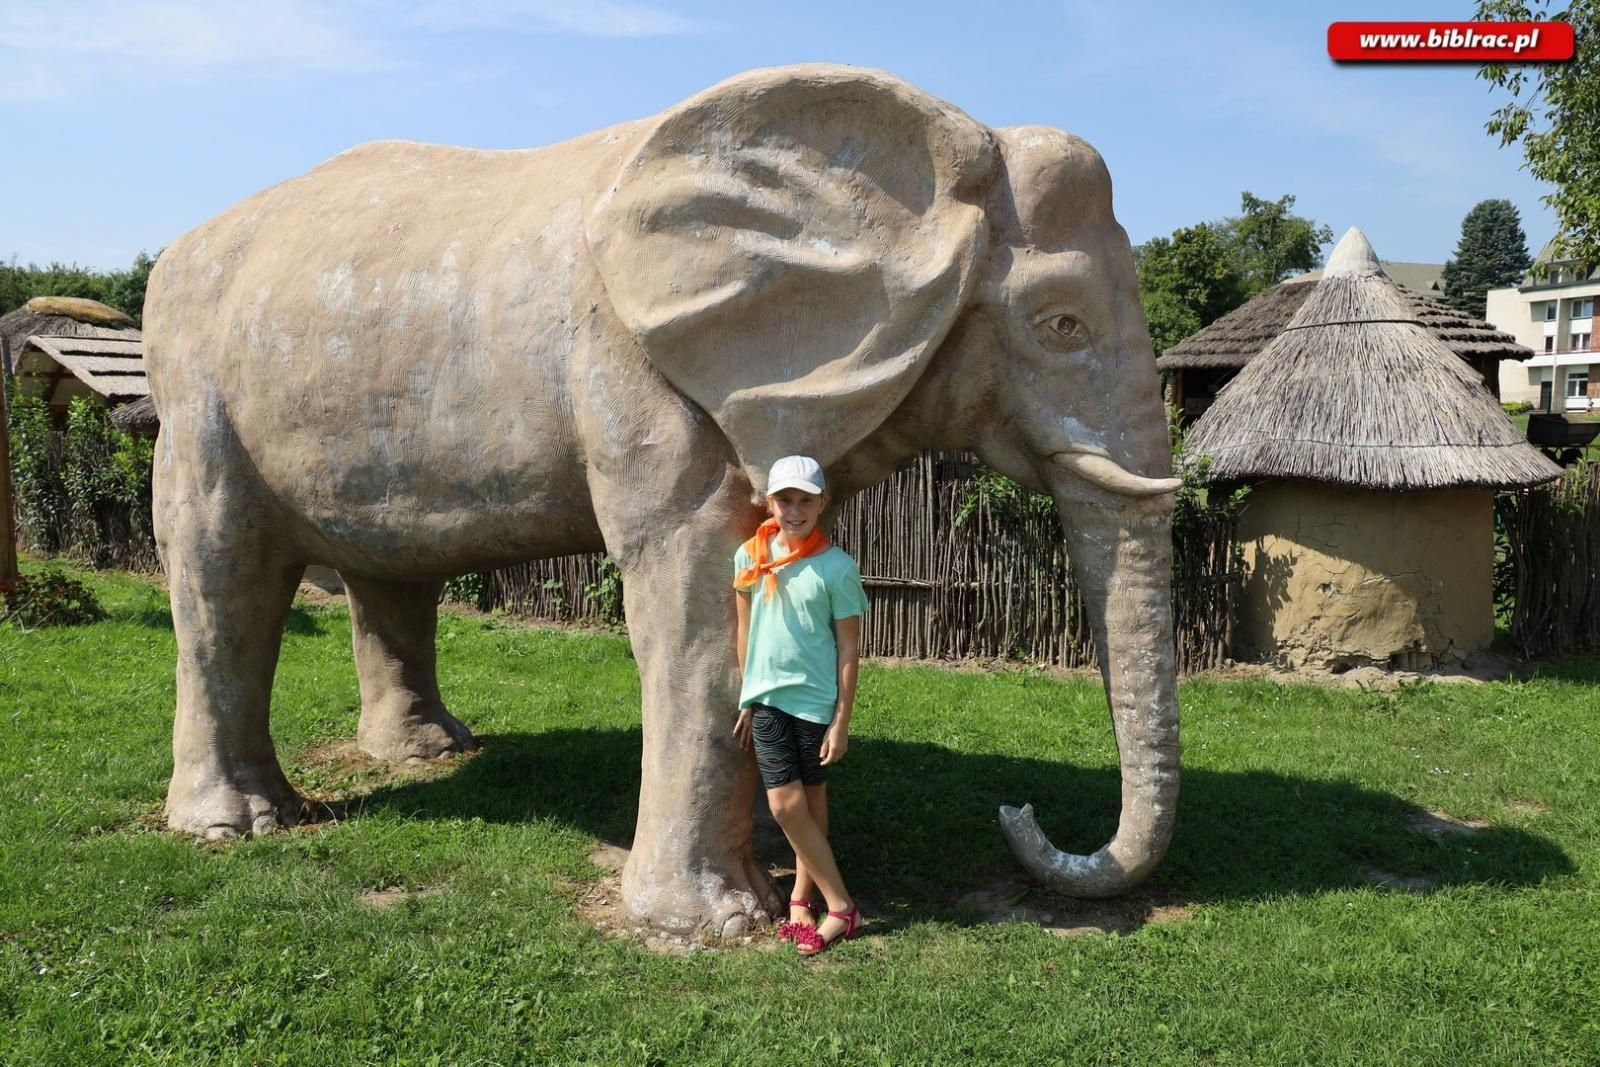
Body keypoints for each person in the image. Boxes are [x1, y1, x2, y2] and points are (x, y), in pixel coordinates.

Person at [731, 455, 868, 955]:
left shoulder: (836, 568)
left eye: (804, 500)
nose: (794, 510)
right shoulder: (750, 556)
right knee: (784, 805)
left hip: (815, 704)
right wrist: (749, 692)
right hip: (767, 700)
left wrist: (842, 720)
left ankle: (800, 898)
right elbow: (746, 629)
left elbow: (849, 650)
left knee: (811, 802)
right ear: (770, 503)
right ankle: (843, 906)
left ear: (821, 504)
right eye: (784, 499)